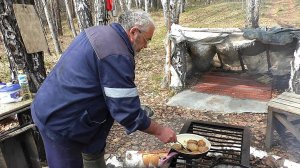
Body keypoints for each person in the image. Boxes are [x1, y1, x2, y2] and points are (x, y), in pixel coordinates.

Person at [31, 10, 177, 168]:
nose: (146, 46)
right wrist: (160, 130)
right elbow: (127, 111)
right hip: (60, 120)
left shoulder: (99, 32)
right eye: (146, 40)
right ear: (134, 32)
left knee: (94, 149)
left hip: (72, 109)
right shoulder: (116, 54)